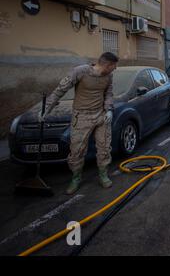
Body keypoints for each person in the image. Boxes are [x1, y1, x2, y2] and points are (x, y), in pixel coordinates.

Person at [40, 52, 119, 195]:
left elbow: (108, 93)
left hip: (101, 116)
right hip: (81, 116)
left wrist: (109, 110)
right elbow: (60, 90)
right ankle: (76, 178)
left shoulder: (108, 76)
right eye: (114, 66)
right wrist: (46, 110)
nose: (115, 69)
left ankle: (103, 174)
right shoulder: (80, 71)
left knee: (104, 147)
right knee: (77, 150)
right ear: (108, 65)